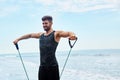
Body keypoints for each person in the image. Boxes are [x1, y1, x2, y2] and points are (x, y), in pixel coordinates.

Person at [13, 15, 77, 80]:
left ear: (51, 23)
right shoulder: (41, 35)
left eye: (46, 23)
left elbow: (68, 33)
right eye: (43, 23)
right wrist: (18, 39)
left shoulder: (56, 34)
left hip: (53, 67)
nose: (44, 25)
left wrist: (73, 35)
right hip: (42, 67)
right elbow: (30, 35)